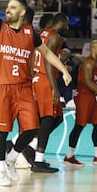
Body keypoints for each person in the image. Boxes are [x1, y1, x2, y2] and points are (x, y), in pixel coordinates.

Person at [0, 0, 71, 186]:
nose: (8, 9)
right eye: (7, 7)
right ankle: (0, 172)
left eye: (12, 7)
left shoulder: (30, 34)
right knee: (2, 132)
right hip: (3, 88)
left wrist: (63, 71)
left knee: (32, 129)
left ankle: (12, 159)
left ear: (22, 12)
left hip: (24, 88)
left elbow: (48, 54)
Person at [63, 40, 97, 167]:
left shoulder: (95, 63)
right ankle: (69, 156)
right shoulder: (88, 62)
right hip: (84, 96)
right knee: (79, 125)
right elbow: (87, 81)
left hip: (91, 96)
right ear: (93, 49)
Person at [30, 13, 69, 173]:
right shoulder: (53, 37)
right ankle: (37, 159)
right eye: (66, 23)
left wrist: (33, 78)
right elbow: (47, 61)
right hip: (46, 79)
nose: (68, 27)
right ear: (60, 22)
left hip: (38, 78)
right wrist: (54, 87)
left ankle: (31, 144)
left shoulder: (42, 35)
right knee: (47, 118)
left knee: (57, 117)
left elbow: (33, 57)